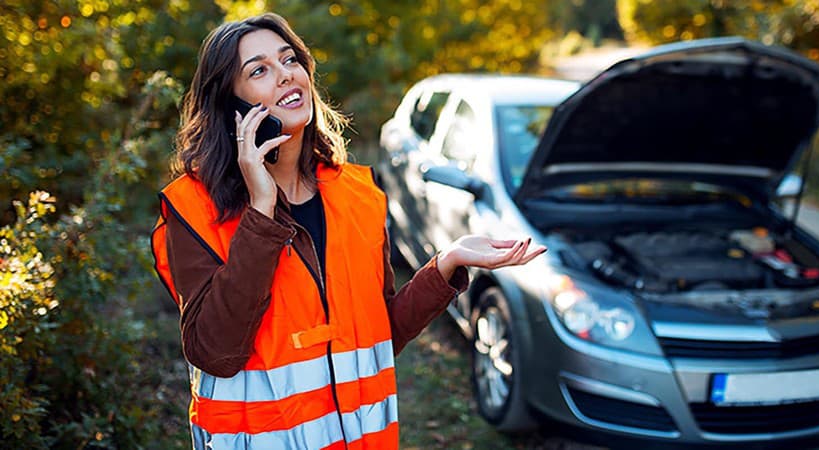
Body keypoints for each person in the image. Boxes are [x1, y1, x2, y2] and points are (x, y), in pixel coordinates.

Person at [150, 12, 545, 450]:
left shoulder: (358, 195)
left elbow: (376, 336)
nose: (285, 76)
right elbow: (215, 352)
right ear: (230, 104)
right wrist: (260, 212)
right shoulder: (194, 210)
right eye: (259, 70)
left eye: (290, 60)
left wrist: (446, 264)